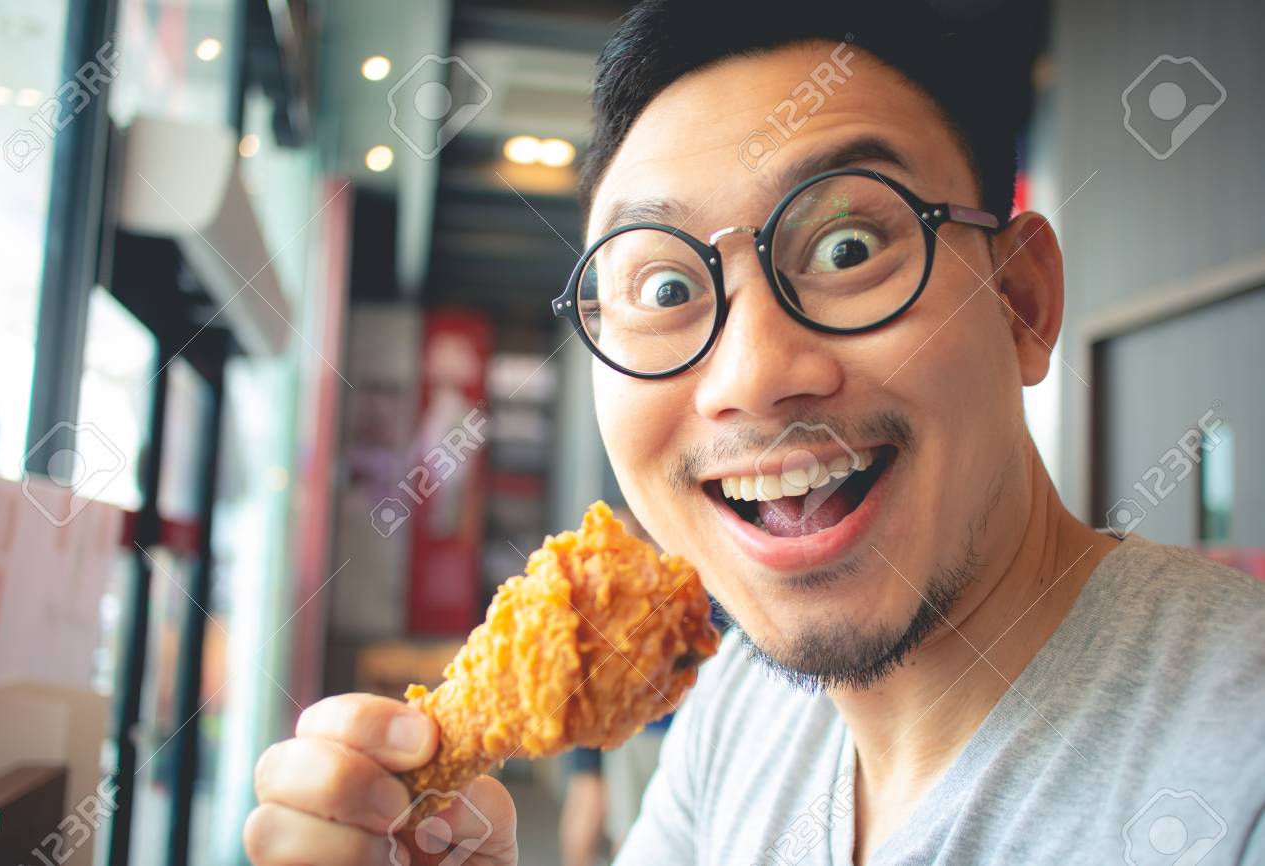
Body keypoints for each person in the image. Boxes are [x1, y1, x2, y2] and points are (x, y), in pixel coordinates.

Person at [242, 2, 1265, 864]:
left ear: (1022, 301)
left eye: (847, 245)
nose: (751, 374)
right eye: (667, 287)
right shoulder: (738, 710)